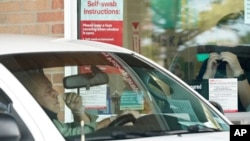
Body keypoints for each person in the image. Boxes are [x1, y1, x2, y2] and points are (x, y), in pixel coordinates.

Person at [16, 70, 139, 137]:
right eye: (48, 91)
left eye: (52, 88)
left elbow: (79, 133)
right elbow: (73, 136)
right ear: (30, 99)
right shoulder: (37, 124)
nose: (56, 93)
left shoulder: (48, 121)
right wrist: (114, 119)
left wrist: (78, 111)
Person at [196, 11, 250, 111]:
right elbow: (199, 107)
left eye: (228, 39)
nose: (221, 44)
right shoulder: (211, 63)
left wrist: (238, 72)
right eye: (219, 38)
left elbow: (249, 107)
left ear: (242, 41)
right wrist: (207, 76)